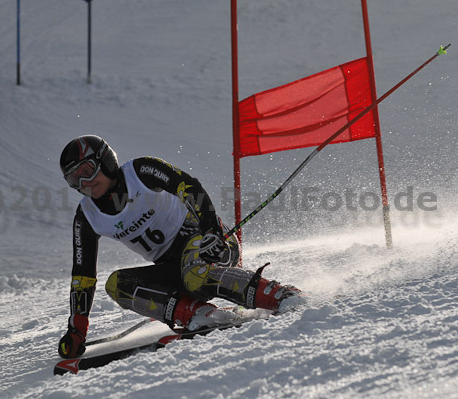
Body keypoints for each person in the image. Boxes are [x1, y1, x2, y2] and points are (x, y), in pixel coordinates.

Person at [57, 135, 304, 359]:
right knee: (117, 285)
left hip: (212, 244)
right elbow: (83, 276)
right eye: (74, 180)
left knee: (194, 273)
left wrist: (212, 231)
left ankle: (280, 294)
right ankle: (200, 313)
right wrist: (77, 330)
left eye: (87, 171)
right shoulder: (87, 216)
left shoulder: (140, 172)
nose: (84, 183)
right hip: (173, 268)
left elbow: (189, 187)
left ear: (106, 161)